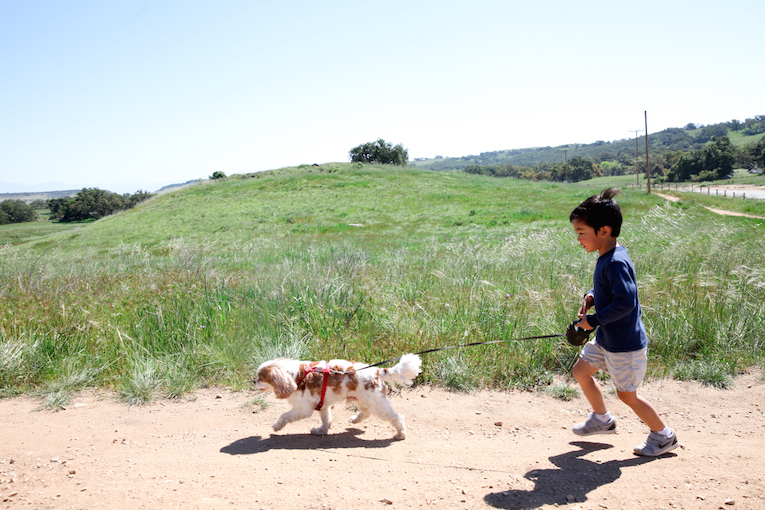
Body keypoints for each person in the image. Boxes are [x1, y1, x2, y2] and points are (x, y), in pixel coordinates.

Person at [569, 188, 678, 457]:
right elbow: (610, 290)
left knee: (627, 396)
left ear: (603, 231)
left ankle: (664, 436)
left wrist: (592, 321)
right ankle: (602, 420)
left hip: (625, 345)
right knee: (581, 372)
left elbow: (626, 302)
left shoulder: (615, 261)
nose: (579, 239)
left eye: (582, 232)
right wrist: (592, 296)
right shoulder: (608, 255)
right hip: (608, 340)